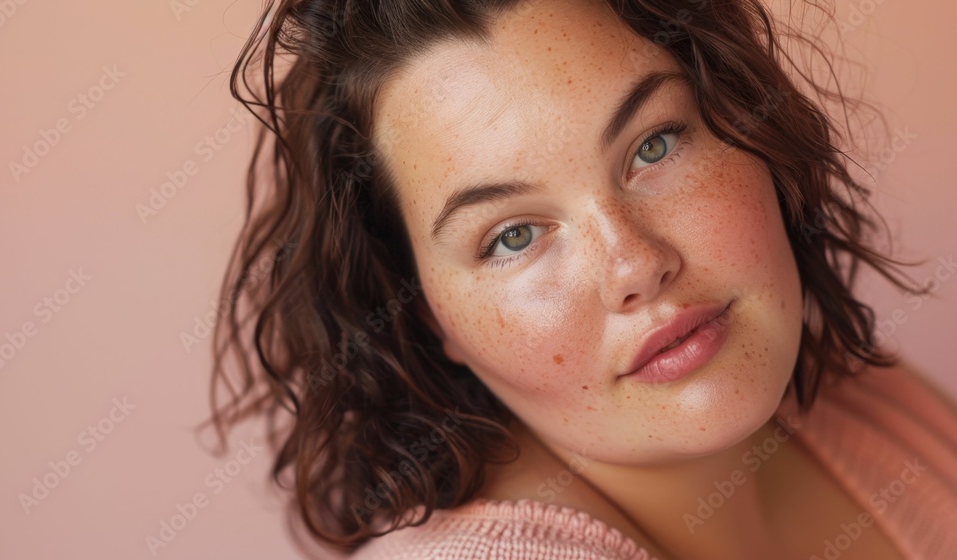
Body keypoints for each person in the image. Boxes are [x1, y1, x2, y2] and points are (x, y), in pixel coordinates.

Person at [204, 0, 957, 558]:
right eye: (514, 237)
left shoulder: (876, 405)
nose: (634, 264)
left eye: (655, 146)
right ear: (431, 315)